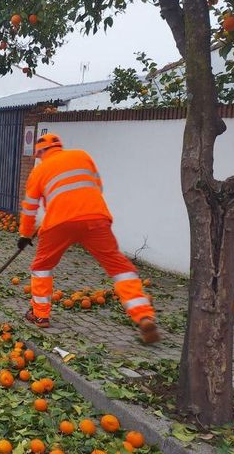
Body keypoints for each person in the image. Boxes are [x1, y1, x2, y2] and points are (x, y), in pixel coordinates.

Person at [18, 133, 160, 344]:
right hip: (95, 217)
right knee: (119, 266)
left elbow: (30, 208)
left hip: (59, 223)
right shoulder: (82, 156)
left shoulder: (38, 171)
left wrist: (25, 234)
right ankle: (143, 315)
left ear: (40, 152)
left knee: (42, 266)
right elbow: (96, 187)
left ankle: (40, 315)